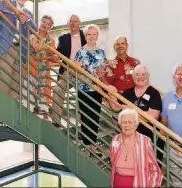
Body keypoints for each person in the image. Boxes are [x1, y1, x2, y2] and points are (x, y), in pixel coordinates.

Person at [107, 64, 165, 165]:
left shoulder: (154, 93)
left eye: (143, 74)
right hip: (130, 138)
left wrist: (131, 109)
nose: (140, 77)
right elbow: (116, 108)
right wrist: (112, 94)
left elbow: (152, 116)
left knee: (148, 168)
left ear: (147, 76)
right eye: (137, 74)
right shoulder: (128, 92)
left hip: (149, 139)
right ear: (133, 77)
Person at [0, 0, 37, 100]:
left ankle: (8, 115)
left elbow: (34, 28)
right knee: (4, 83)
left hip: (21, 51)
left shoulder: (28, 13)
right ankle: (1, 113)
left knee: (17, 85)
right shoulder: (6, 2)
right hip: (5, 47)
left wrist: (27, 19)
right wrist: (15, 11)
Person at [73, 24, 106, 156]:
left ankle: (93, 144)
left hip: (97, 89)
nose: (92, 37)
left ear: (97, 36)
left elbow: (103, 70)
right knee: (86, 116)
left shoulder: (101, 52)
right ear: (85, 36)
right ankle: (87, 145)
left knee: (95, 116)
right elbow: (75, 69)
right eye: (89, 34)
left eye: (94, 34)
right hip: (84, 88)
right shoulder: (80, 52)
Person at [110, 108, 163, 188]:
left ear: (136, 124)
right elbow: (112, 159)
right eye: (124, 122)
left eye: (130, 122)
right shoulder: (115, 139)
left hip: (137, 182)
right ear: (120, 125)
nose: (127, 125)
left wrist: (151, 185)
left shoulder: (145, 141)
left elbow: (155, 170)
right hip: (117, 182)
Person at [50, 14, 86, 126]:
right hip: (67, 70)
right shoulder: (63, 38)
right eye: (71, 21)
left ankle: (82, 128)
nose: (73, 23)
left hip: (83, 72)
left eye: (75, 21)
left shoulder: (86, 36)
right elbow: (58, 53)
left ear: (79, 23)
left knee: (83, 96)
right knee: (57, 89)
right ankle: (56, 121)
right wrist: (55, 57)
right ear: (68, 24)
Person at [28, 15, 58, 114]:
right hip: (31, 68)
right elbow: (34, 48)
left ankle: (44, 114)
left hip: (44, 71)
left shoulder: (51, 41)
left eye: (48, 24)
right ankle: (28, 112)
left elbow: (54, 57)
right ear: (40, 22)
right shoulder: (32, 35)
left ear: (50, 27)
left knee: (44, 93)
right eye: (44, 22)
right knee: (28, 92)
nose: (45, 25)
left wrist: (54, 57)